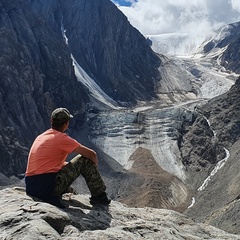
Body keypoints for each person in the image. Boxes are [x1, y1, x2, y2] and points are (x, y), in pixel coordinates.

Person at [25, 107, 111, 208]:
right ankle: (99, 196)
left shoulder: (41, 137)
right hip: (47, 187)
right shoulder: (62, 138)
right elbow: (92, 154)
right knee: (84, 160)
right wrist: (94, 167)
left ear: (51, 121)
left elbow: (48, 165)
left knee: (71, 191)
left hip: (32, 187)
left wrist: (68, 165)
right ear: (66, 124)